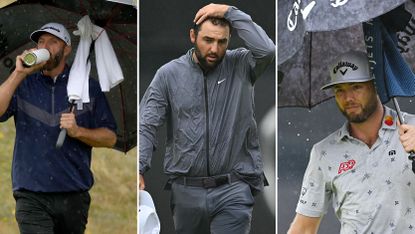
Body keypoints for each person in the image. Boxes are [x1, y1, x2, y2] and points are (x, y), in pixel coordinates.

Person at [139, 3, 275, 234]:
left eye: (222, 41)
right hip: (185, 190)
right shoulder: (168, 74)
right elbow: (147, 123)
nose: (214, 48)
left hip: (233, 187)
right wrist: (138, 168)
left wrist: (229, 11)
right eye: (208, 40)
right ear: (193, 36)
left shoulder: (241, 64)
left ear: (230, 39)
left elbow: (268, 50)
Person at [0, 22, 117, 233]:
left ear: (67, 50)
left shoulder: (87, 87)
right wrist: (19, 74)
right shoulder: (24, 83)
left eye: (53, 42)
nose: (45, 46)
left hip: (73, 196)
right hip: (31, 195)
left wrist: (78, 131)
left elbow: (110, 137)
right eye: (41, 41)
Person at [288, 51, 415, 234]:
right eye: (340, 90)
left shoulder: (412, 128)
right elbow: (304, 229)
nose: (348, 98)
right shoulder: (323, 152)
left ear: (376, 85)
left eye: (356, 87)